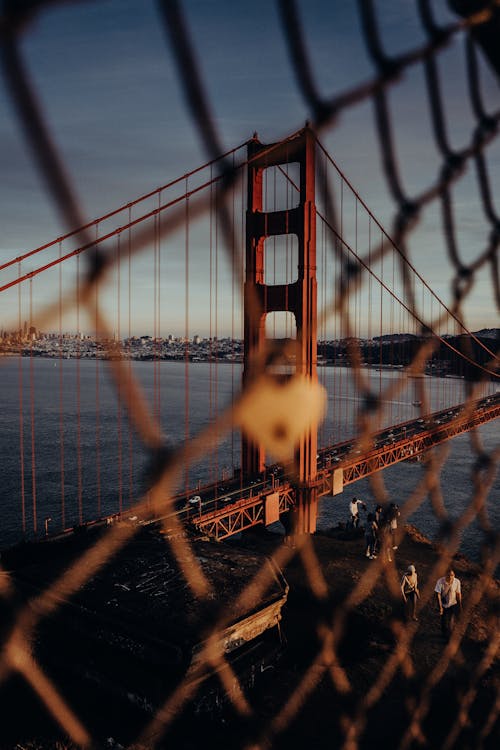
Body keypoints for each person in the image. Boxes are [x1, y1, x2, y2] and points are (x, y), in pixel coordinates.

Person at [435, 568, 462, 639]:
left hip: (453, 604)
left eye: (452, 575)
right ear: (445, 575)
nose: (450, 577)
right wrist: (440, 607)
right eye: (448, 575)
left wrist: (460, 605)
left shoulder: (457, 582)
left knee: (451, 622)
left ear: (454, 575)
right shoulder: (440, 581)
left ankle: (449, 637)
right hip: (444, 605)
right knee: (444, 621)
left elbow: (458, 594)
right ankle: (444, 634)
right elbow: (437, 594)